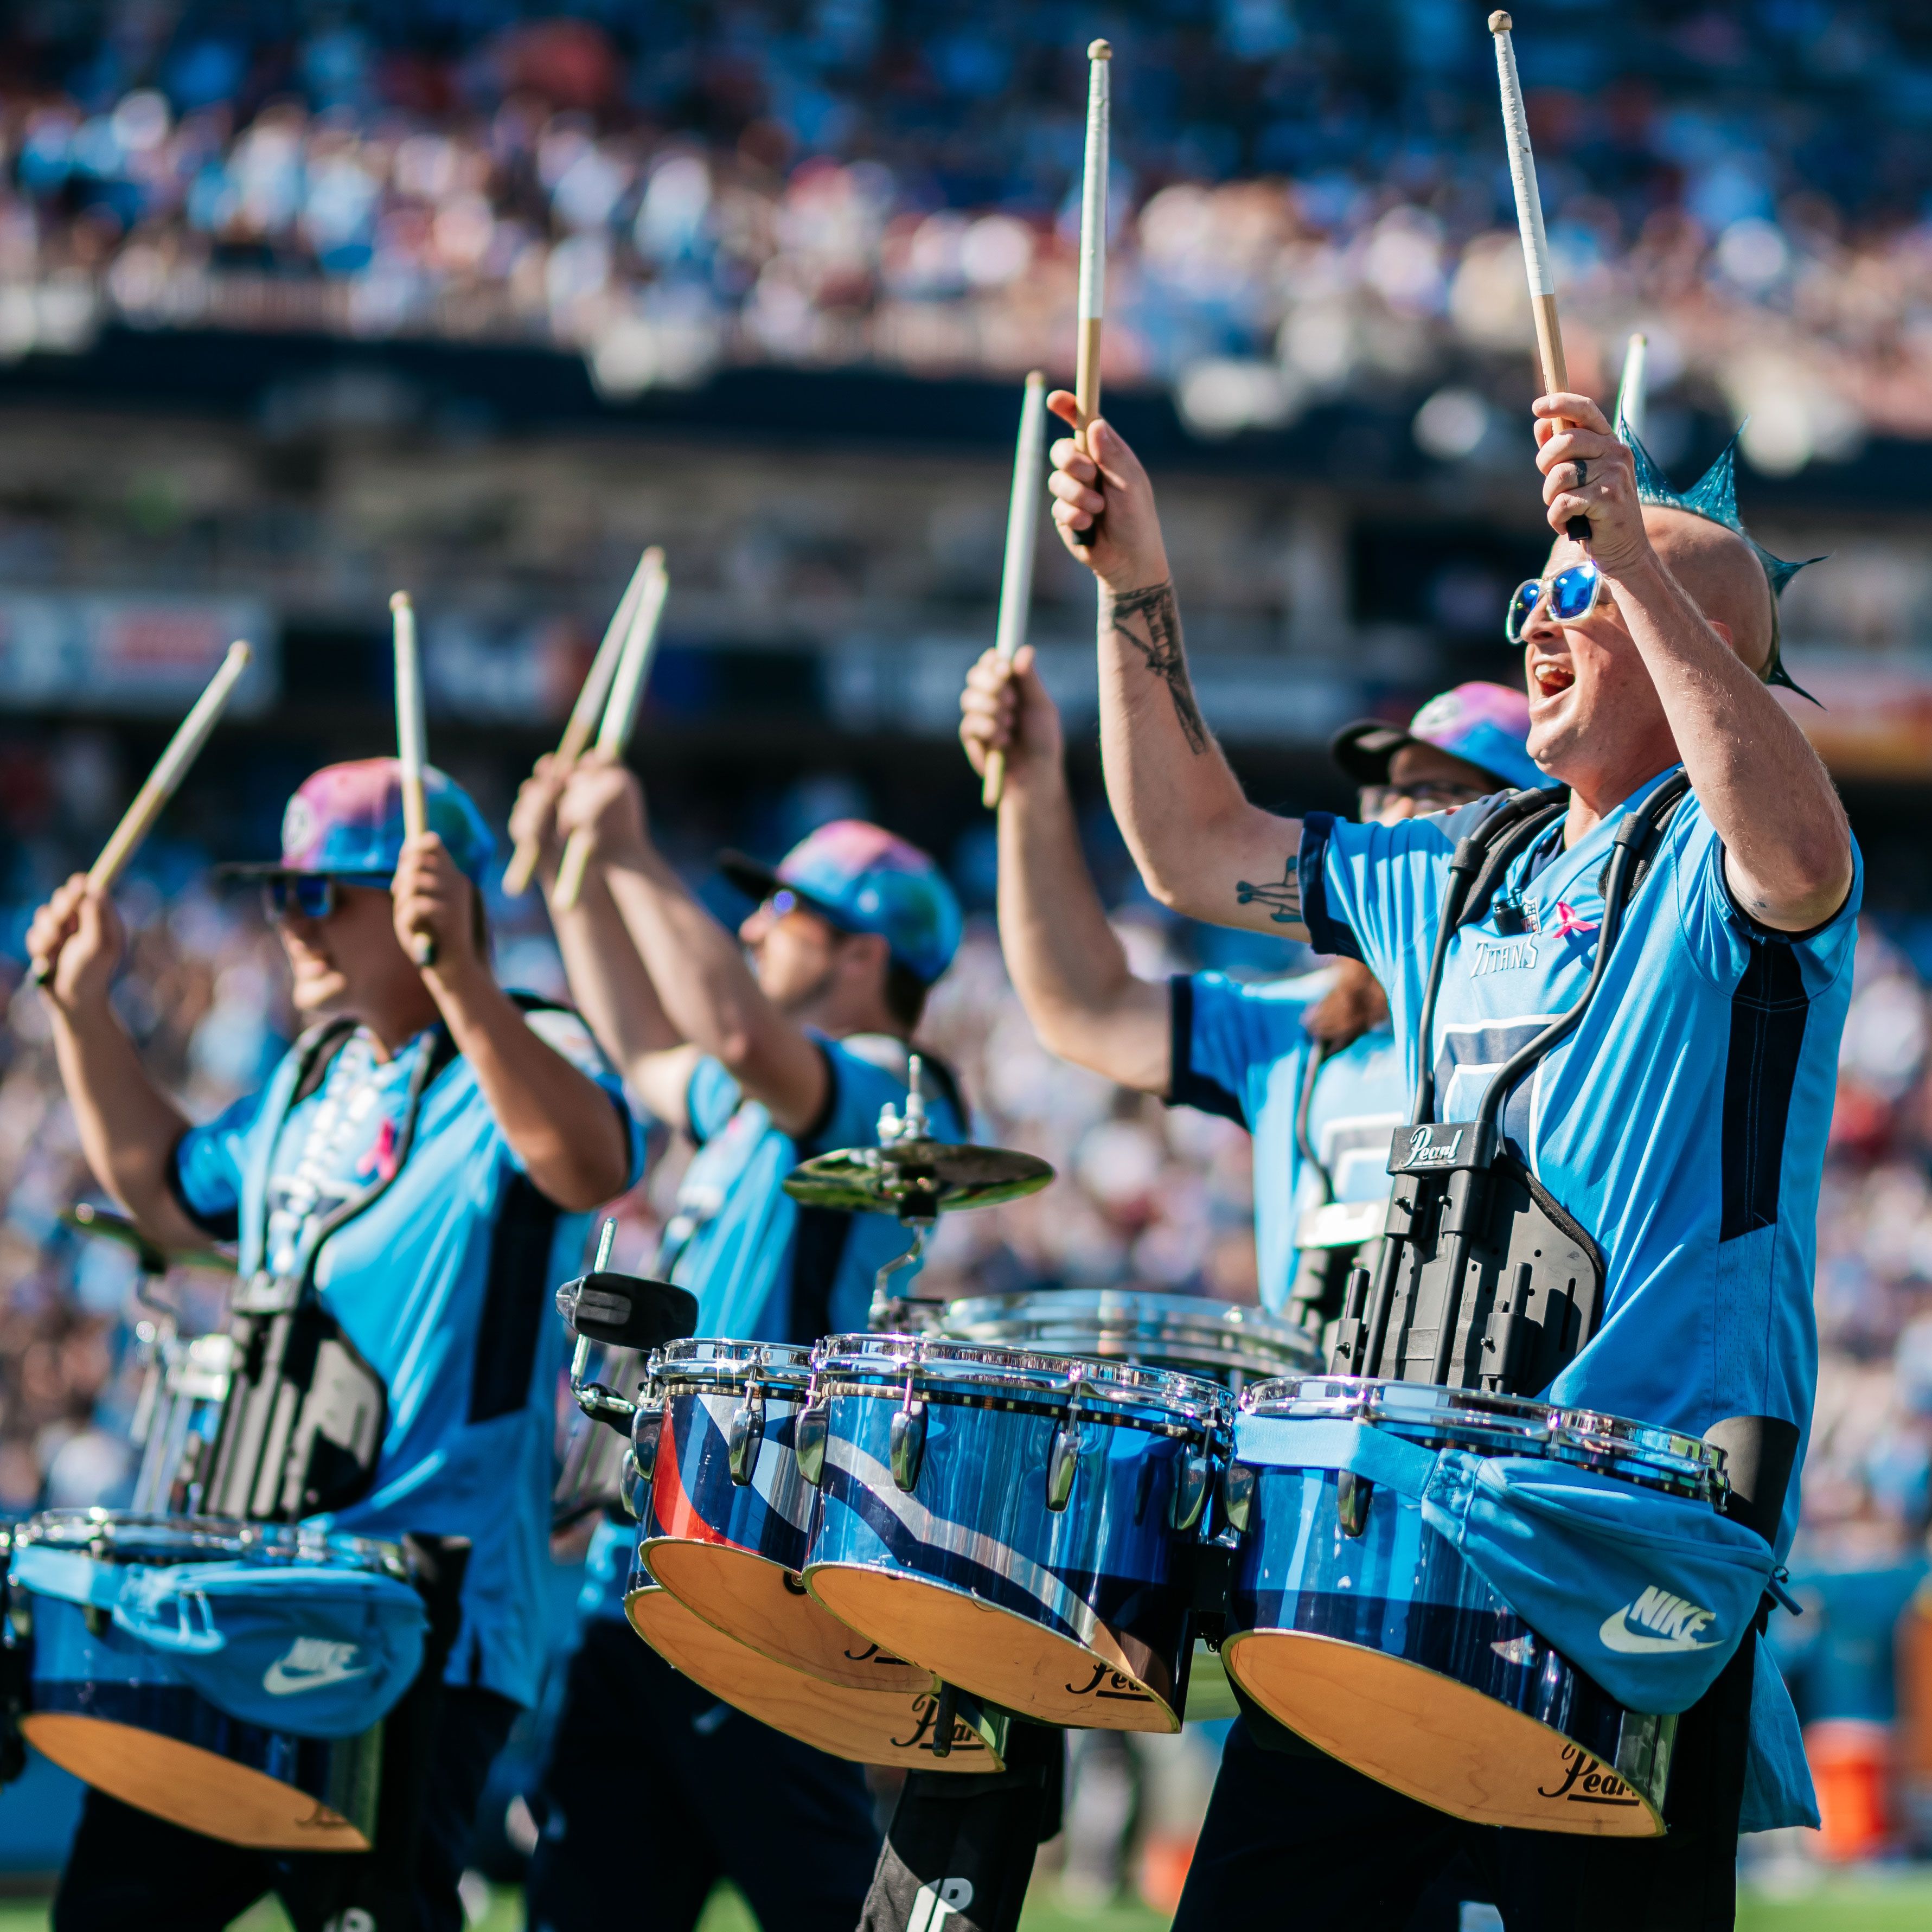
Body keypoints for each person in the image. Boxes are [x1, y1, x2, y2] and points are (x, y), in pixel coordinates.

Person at [1042, 383, 1858, 1931]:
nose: (1537, 623)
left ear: (1692, 643)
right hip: (1395, 1533)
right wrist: (1134, 580)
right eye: (1535, 594)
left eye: (1583, 597)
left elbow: (1801, 857)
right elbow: (1192, 846)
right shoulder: (1460, 861)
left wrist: (1630, 557)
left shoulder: (1729, 853)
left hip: (1621, 1553)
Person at [25, 758, 639, 1932]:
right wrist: (80, 1010)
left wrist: (462, 971)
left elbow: (593, 1163)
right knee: (115, 1909)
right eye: (279, 892)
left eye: (322, 894)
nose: (288, 920)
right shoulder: (308, 1075)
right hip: (261, 1584)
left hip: (421, 1610)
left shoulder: (520, 1050)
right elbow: (167, 1194)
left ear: (427, 899)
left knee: (371, 1918)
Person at [509, 750, 968, 1932]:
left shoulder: (890, 1089)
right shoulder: (764, 1096)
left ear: (865, 954)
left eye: (789, 908)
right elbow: (651, 1048)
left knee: (822, 1900)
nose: (758, 922)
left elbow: (722, 1019)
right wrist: (575, 880)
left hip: (756, 1570)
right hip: (654, 1561)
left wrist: (627, 850)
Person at [957, 662, 1539, 1325]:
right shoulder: (1295, 1026)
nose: (1395, 816)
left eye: (1440, 792)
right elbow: (1089, 1009)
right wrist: (1031, 783)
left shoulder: (1569, 1027)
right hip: (1306, 1421)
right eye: (1383, 794)